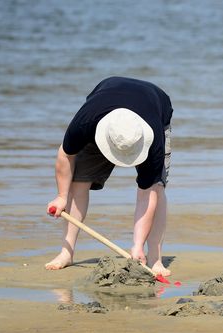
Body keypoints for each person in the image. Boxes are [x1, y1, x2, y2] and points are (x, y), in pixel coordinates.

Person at [45, 76, 173, 277]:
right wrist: (61, 197)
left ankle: (154, 258)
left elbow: (147, 195)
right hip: (105, 109)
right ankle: (66, 253)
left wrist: (137, 245)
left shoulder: (153, 138)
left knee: (156, 186)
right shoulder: (86, 121)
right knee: (78, 182)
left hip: (154, 107)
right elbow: (65, 154)